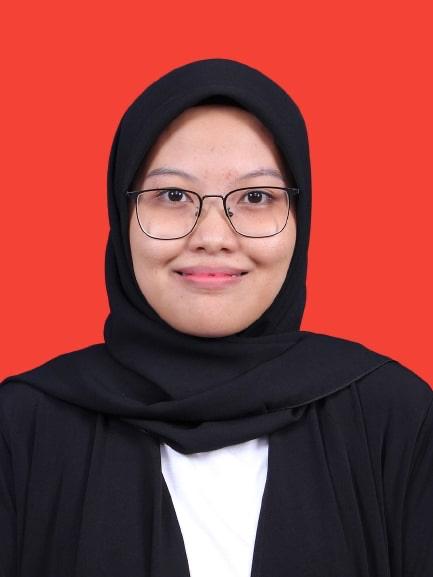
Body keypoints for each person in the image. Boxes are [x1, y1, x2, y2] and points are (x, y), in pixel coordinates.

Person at [0, 58, 432, 577]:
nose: (212, 236)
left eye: (256, 197)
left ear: (300, 219)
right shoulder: (21, 426)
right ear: (121, 215)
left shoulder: (397, 419)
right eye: (172, 196)